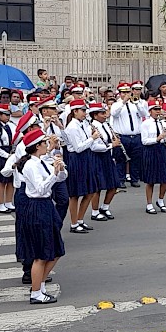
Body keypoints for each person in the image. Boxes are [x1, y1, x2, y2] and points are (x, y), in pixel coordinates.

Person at [16, 128, 68, 305]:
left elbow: (61, 178)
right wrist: (53, 174)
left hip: (46, 206)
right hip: (37, 206)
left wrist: (59, 169)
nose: (48, 146)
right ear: (37, 146)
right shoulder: (31, 165)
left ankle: (40, 285)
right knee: (41, 254)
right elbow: (40, 189)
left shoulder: (41, 161)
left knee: (56, 250)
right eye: (45, 143)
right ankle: (36, 292)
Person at [63, 98, 99, 234]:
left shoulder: (83, 124)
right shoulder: (72, 127)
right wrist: (92, 138)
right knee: (75, 195)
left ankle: (80, 220)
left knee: (90, 191)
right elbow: (78, 148)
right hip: (76, 159)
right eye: (82, 111)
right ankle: (73, 223)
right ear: (75, 111)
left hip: (86, 158)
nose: (85, 113)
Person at [87, 102, 120, 222]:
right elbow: (94, 147)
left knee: (114, 184)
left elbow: (108, 140)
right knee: (98, 186)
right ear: (95, 115)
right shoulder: (92, 127)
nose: (105, 115)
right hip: (97, 157)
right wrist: (112, 145)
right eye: (102, 113)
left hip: (107, 156)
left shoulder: (105, 125)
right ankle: (95, 212)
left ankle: (105, 207)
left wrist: (114, 139)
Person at [109, 83, 143, 187]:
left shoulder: (136, 104)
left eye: (128, 92)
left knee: (136, 158)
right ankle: (121, 179)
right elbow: (114, 113)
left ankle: (134, 179)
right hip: (122, 136)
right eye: (124, 92)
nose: (127, 94)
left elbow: (144, 114)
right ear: (120, 94)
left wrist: (137, 104)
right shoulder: (116, 104)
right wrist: (123, 102)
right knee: (120, 159)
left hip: (136, 135)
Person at [141, 99, 166, 214]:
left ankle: (161, 200)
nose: (158, 112)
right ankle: (149, 204)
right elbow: (144, 141)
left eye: (159, 109)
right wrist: (157, 138)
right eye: (155, 109)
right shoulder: (145, 124)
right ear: (150, 111)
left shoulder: (163, 123)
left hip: (162, 150)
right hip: (151, 150)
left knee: (165, 178)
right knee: (151, 180)